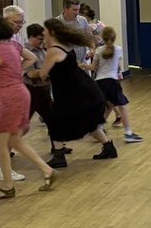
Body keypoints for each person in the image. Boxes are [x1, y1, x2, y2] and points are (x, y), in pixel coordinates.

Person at [0, 15, 55, 196]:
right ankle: (46, 170)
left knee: (1, 141)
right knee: (14, 140)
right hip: (22, 91)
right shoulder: (14, 45)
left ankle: (8, 186)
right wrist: (17, 71)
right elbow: (30, 59)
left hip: (8, 96)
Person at [39, 18, 116, 159]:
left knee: (55, 122)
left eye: (44, 29)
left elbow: (43, 74)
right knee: (89, 122)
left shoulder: (53, 51)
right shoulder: (65, 45)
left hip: (73, 92)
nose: (42, 32)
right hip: (82, 89)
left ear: (51, 32)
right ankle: (108, 147)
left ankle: (59, 156)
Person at [23, 22, 73, 163]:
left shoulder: (43, 51)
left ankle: (57, 148)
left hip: (43, 91)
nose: (42, 41)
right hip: (31, 91)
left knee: (53, 120)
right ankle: (7, 147)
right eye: (39, 38)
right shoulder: (26, 52)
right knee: (23, 124)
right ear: (31, 37)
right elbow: (31, 74)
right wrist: (50, 71)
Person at [91, 26, 143, 143]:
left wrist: (82, 65)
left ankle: (97, 127)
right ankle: (128, 133)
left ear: (102, 38)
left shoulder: (99, 51)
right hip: (111, 82)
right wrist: (119, 73)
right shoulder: (118, 49)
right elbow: (117, 66)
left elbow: (93, 68)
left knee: (109, 105)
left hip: (100, 82)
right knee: (122, 107)